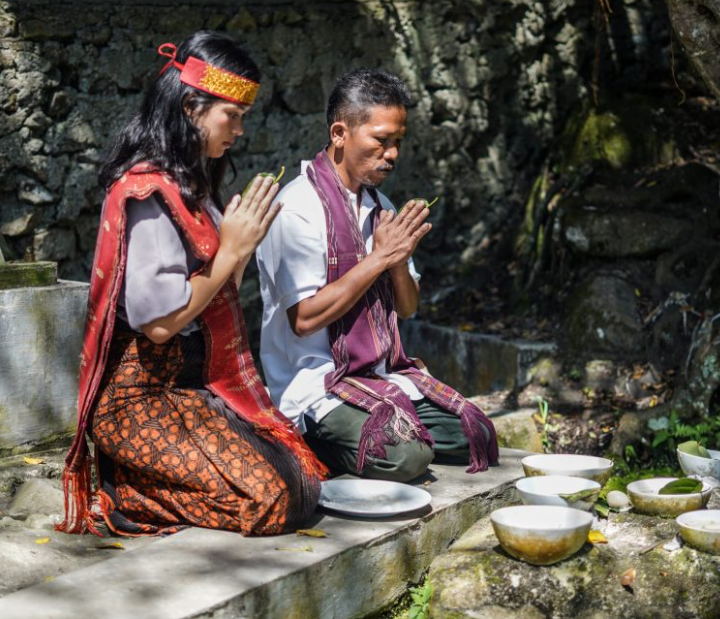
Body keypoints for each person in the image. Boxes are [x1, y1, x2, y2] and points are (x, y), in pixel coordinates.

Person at [57, 31, 327, 537]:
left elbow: (217, 294)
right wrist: (231, 252)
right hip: (135, 400)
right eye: (233, 116)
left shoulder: (194, 189)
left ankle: (143, 482)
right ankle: (124, 491)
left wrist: (240, 249)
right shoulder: (146, 193)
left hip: (189, 387)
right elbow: (160, 325)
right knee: (271, 502)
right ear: (191, 107)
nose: (240, 131)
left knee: (305, 478)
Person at [256, 69, 498, 483]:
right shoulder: (296, 208)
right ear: (339, 133)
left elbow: (407, 307)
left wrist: (399, 260)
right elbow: (304, 320)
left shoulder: (380, 202)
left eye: (398, 142)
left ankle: (374, 435)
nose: (393, 154)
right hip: (318, 384)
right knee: (405, 457)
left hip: (380, 376)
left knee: (472, 433)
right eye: (381, 140)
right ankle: (311, 440)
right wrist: (380, 256)